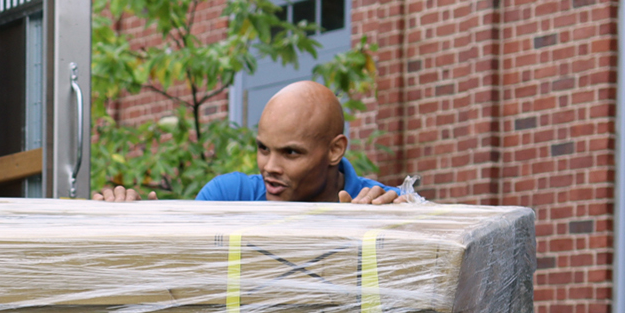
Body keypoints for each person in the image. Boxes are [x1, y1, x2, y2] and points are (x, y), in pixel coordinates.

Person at [94, 80, 406, 205]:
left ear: (335, 150)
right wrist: (135, 229)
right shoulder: (229, 197)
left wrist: (399, 230)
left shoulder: (376, 206)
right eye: (263, 148)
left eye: (291, 153)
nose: (270, 167)